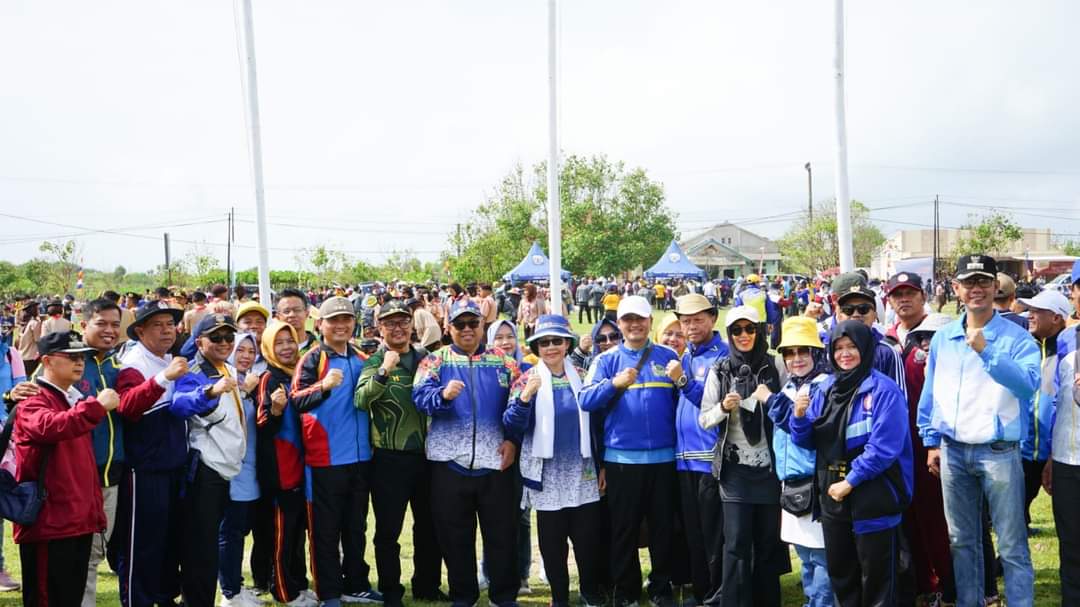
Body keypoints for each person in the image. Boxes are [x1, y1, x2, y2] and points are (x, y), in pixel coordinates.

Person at [917, 255, 1041, 607]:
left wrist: (987, 352)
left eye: (984, 281)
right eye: (968, 282)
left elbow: (1028, 384)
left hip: (999, 452)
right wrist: (930, 440)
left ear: (994, 287)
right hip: (953, 451)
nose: (976, 289)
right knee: (961, 540)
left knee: (1012, 543)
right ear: (956, 289)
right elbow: (932, 392)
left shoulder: (1015, 337)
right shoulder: (943, 338)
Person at [579, 295, 697, 607]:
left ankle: (660, 588)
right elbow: (585, 400)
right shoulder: (605, 361)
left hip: (664, 459)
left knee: (662, 530)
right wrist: (614, 384)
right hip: (621, 462)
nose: (635, 325)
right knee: (623, 531)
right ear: (619, 324)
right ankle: (626, 591)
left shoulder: (668, 356)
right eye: (628, 319)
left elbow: (683, 400)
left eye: (640, 319)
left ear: (650, 322)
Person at [789, 320, 914, 606]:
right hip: (833, 498)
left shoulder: (884, 390)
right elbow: (809, 441)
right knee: (842, 576)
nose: (844, 354)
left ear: (866, 348)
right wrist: (798, 418)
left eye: (852, 347)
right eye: (838, 348)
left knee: (878, 581)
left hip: (875, 497)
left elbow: (883, 448)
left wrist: (850, 481)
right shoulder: (826, 389)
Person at [413, 299, 522, 607]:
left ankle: (503, 596)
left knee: (502, 536)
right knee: (454, 537)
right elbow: (419, 398)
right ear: (448, 328)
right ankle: (464, 596)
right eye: (459, 324)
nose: (467, 330)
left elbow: (521, 404)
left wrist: (513, 440)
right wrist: (442, 395)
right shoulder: (434, 361)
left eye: (472, 323)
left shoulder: (506, 362)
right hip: (449, 465)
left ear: (482, 326)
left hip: (496, 464)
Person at [11, 332, 119, 607]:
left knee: (70, 597)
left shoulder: (73, 396)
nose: (79, 362)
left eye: (81, 356)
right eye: (70, 356)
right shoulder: (33, 398)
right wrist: (95, 407)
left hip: (76, 519)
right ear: (46, 360)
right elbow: (51, 426)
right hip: (51, 522)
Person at [503, 315, 604, 607]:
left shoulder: (584, 376)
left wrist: (602, 465)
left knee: (586, 541)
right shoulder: (526, 379)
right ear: (536, 346)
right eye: (544, 342)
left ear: (567, 343)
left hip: (582, 471)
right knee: (552, 544)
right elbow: (511, 426)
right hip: (547, 476)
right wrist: (525, 398)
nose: (551, 347)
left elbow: (598, 424)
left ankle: (589, 593)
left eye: (556, 341)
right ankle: (560, 598)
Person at [356, 300, 446, 607]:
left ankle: (427, 586)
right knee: (388, 531)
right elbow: (361, 399)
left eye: (403, 322)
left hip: (427, 456)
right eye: (390, 323)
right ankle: (391, 591)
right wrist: (384, 370)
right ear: (379, 327)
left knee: (429, 526)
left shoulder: (427, 359)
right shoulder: (374, 361)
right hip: (388, 458)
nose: (398, 328)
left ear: (412, 325)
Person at [292, 296, 380, 607]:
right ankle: (328, 592)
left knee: (356, 527)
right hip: (325, 460)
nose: (341, 325)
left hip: (361, 458)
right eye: (334, 320)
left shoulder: (362, 357)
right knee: (325, 531)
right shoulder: (313, 359)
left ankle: (356, 584)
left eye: (346, 319)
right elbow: (297, 400)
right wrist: (324, 386)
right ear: (321, 325)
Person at [698, 306, 788, 607]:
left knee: (766, 543)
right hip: (734, 471)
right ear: (729, 334)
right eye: (737, 330)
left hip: (769, 469)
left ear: (760, 330)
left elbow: (789, 413)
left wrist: (770, 398)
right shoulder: (720, 369)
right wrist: (723, 407)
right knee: (735, 544)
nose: (744, 335)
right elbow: (704, 419)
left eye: (750, 329)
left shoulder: (775, 364)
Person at [111, 301, 195, 607]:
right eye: (158, 325)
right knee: (141, 546)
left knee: (168, 542)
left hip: (173, 467)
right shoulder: (134, 363)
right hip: (144, 470)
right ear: (140, 331)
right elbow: (128, 406)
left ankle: (162, 596)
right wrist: (163, 379)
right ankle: (138, 600)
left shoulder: (171, 359)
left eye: (170, 324)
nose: (166, 330)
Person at [172, 314, 253, 607]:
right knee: (201, 549)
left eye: (229, 337)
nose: (224, 343)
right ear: (198, 342)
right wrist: (209, 391)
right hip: (205, 471)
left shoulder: (227, 367)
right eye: (216, 338)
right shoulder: (194, 371)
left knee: (210, 546)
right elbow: (180, 403)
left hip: (226, 471)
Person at [760, 316, 834, 607]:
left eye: (803, 350)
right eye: (789, 352)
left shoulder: (825, 386)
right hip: (791, 485)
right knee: (805, 555)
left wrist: (772, 402)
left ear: (816, 352)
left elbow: (807, 432)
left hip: (815, 484)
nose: (796, 358)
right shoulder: (790, 387)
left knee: (822, 556)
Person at [670, 294, 729, 606]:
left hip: (710, 461)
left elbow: (716, 408)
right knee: (694, 535)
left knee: (714, 536)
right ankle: (701, 590)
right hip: (684, 462)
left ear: (713, 318)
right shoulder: (686, 356)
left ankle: (716, 594)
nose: (690, 326)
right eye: (685, 320)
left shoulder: (724, 355)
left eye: (697, 319)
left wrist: (681, 382)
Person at [256, 321, 317, 607]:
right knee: (281, 538)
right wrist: (276, 410)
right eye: (278, 342)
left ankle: (299, 584)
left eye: (289, 341)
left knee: (296, 535)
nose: (286, 348)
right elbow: (262, 424)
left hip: (301, 469)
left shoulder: (300, 373)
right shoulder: (268, 378)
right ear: (268, 346)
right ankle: (283, 591)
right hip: (280, 470)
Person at [216, 332, 267, 606]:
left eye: (251, 350)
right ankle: (230, 592)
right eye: (241, 350)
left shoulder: (250, 380)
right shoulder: (227, 381)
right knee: (230, 532)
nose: (246, 355)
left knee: (238, 530)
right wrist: (245, 390)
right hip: (230, 469)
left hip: (249, 468)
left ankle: (234, 585)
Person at [1016, 290, 1072, 534]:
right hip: (1025, 449)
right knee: (1016, 509)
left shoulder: (1069, 352)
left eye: (1037, 311)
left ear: (1057, 318)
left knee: (1068, 516)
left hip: (1060, 452)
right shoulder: (1024, 347)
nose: (1030, 315)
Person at [1043, 285, 1080, 602]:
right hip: (1068, 459)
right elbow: (1059, 402)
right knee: (1070, 543)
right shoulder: (1066, 339)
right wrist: (1052, 456)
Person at [830, 272, 906, 391]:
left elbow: (897, 399)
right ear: (839, 315)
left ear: (875, 314)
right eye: (848, 310)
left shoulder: (887, 352)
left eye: (863, 309)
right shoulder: (825, 347)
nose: (856, 315)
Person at [17, 301, 42, 376]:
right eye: (37, 309)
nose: (39, 311)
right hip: (31, 357)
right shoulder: (34, 323)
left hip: (22, 355)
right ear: (33, 310)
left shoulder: (24, 323)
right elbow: (38, 339)